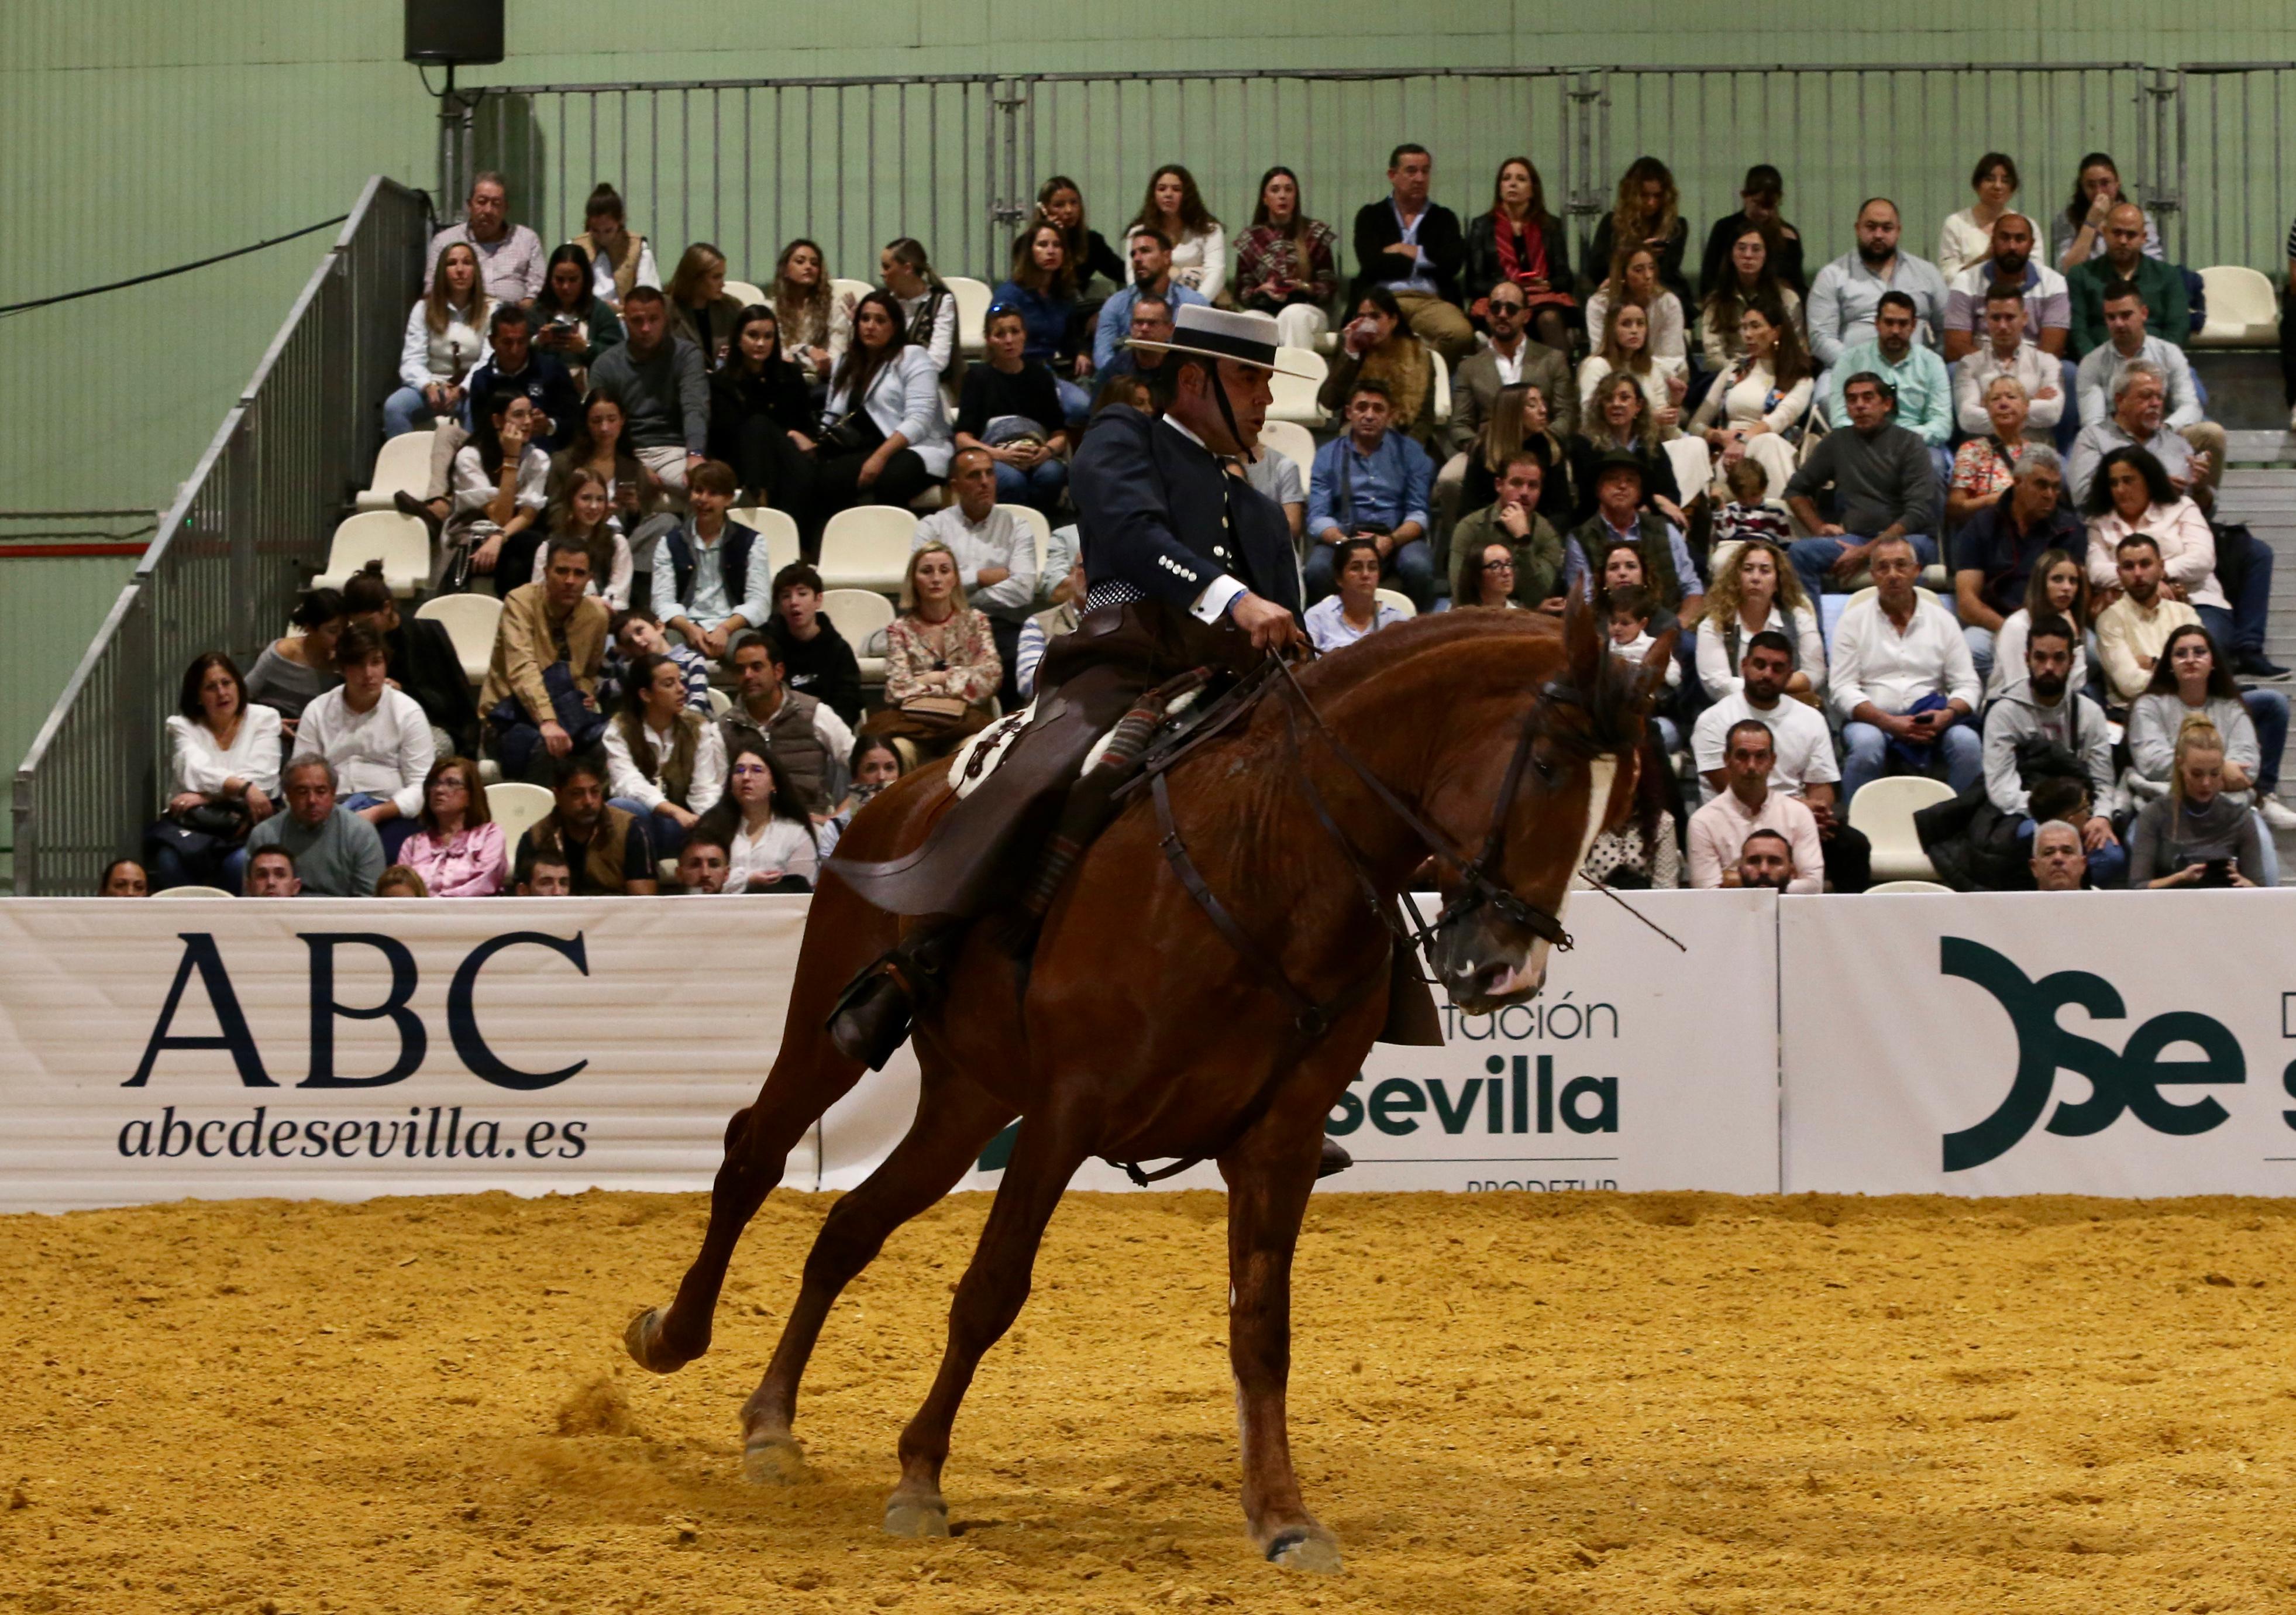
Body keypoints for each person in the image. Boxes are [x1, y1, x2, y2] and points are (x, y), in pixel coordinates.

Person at [828, 304, 1307, 1071]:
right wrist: (1234, 599)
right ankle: (920, 962)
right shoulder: (1125, 439)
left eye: (1267, 381)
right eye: (1250, 379)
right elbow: (1133, 538)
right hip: (1126, 664)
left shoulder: (1257, 508)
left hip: (1236, 688)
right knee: (1053, 771)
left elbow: (1288, 619)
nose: (1266, 399)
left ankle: (1310, 1040)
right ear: (1194, 380)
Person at [1691, 631, 1868, 891]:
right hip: (1734, 818)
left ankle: (1846, 927)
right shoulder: (1713, 719)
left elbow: (1821, 785)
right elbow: (1740, 784)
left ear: (1790, 673)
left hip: (1797, 818)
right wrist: (1797, 809)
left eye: (1777, 668)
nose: (1767, 674)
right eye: (1760, 665)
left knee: (1853, 845)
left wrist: (1811, 813)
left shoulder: (1811, 719)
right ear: (1744, 666)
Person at [1827, 535, 1982, 806]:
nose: (1893, 575)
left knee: (1967, 743)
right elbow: (1841, 688)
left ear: (1917, 571)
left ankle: (1959, 829)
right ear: (1873, 574)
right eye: (1883, 568)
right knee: (1866, 747)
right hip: (1872, 719)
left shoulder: (1942, 620)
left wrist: (1947, 715)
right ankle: (1858, 830)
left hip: (1932, 719)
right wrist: (1886, 721)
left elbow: (1968, 684)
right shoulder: (1852, 621)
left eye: (1901, 565)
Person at [1981, 615, 2124, 882]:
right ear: (2027, 659)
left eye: (2059, 658)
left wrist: (2102, 817)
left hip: (2081, 813)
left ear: (2071, 661)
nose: (2049, 667)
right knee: (2029, 842)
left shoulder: (2090, 713)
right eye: (2040, 657)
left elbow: (2104, 783)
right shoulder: (2003, 713)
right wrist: (2058, 817)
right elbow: (2002, 790)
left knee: (2111, 857)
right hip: (2027, 814)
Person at [2127, 623, 2296, 839]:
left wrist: (2197, 772)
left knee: (2261, 844)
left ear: (2213, 662)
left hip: (2229, 807)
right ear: (2170, 665)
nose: (2190, 659)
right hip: (2165, 806)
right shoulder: (2148, 706)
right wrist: (2220, 768)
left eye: (2199, 652)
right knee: (2135, 842)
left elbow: (2247, 766)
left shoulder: (2231, 707)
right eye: (2180, 654)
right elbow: (2150, 762)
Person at [1784, 372, 1937, 602]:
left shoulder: (1910, 443)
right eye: (1852, 400)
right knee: (1799, 553)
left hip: (1908, 539)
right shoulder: (1837, 442)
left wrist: (1868, 552)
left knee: (1900, 554)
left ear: (1886, 404)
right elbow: (1795, 490)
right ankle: (1812, 633)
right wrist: (1819, 527)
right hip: (1855, 538)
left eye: (1868, 398)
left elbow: (1918, 512)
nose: (1860, 406)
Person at [1438, 282, 1575, 526]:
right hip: (1487, 451)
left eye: (1511, 309)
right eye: (1496, 308)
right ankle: (1458, 549)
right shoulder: (1470, 367)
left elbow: (1566, 415)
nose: (1502, 314)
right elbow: (1459, 425)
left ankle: (1550, 546)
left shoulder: (1552, 360)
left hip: (1542, 448)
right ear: (1487, 313)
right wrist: (1483, 448)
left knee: (1563, 474)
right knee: (1449, 478)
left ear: (1526, 315)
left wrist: (1540, 444)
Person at [295, 623, 435, 856]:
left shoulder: (407, 712)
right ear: (342, 668)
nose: (369, 674)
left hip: (389, 811)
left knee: (387, 853)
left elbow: (423, 785)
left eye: (376, 662)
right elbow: (302, 775)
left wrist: (377, 813)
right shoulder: (317, 711)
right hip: (330, 810)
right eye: (358, 665)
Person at [480, 537, 612, 781]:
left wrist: (584, 691)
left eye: (579, 573)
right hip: (509, 716)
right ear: (545, 572)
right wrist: (548, 720)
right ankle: (538, 817)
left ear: (589, 578)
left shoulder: (597, 616)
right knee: (547, 745)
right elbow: (522, 668)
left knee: (609, 741)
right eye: (561, 571)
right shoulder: (520, 602)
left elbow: (589, 673)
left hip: (568, 714)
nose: (570, 581)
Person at [815, 288, 952, 521]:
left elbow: (919, 421)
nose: (870, 326)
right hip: (862, 448)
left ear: (895, 327)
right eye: (865, 319)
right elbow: (832, 414)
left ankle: (895, 545)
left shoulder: (913, 357)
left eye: (880, 321)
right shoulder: (845, 362)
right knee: (826, 478)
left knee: (892, 478)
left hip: (914, 448)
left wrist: (879, 457)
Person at [915, 448, 1039, 703]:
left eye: (989, 474)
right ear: (956, 485)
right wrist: (981, 577)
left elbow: (1023, 590)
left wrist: (956, 590)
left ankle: (1010, 735)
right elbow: (924, 586)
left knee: (1014, 658)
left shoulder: (1017, 527)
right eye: (974, 476)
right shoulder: (932, 526)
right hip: (946, 626)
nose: (985, 482)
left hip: (1000, 625)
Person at [856, 540, 1001, 758]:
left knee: (973, 747)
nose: (936, 579)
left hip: (964, 724)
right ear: (914, 581)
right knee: (900, 749)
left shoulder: (976, 622)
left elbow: (991, 677)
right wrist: (962, 682)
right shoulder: (900, 629)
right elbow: (897, 688)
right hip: (915, 727)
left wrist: (935, 678)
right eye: (927, 571)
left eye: (944, 571)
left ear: (955, 579)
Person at [150, 652, 281, 892]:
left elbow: (262, 778)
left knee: (239, 863)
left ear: (239, 685)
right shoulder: (184, 726)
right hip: (197, 825)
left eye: (226, 683)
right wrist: (243, 788)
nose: (222, 693)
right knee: (168, 862)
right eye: (211, 687)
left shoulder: (264, 718)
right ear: (198, 696)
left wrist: (206, 797)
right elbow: (194, 770)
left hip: (247, 823)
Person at [1304, 379, 1436, 611]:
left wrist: (1392, 540)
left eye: (1378, 409)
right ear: (1349, 413)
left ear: (1390, 415)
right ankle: (1319, 635)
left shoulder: (1411, 452)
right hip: (1344, 536)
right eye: (1361, 407)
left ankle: (1422, 635)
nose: (1369, 415)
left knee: (1419, 567)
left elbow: (1418, 512)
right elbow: (1317, 517)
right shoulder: (1328, 455)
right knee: (1316, 570)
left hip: (1396, 537)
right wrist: (1345, 544)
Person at [2074, 279, 2218, 487]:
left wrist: (2164, 430)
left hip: (2167, 433)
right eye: (2111, 317)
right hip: (2116, 439)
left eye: (2126, 315)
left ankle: (2203, 506)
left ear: (2144, 313)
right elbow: (2094, 424)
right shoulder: (2092, 363)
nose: (2119, 324)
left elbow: (2190, 406)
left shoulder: (2169, 353)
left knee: (2212, 434)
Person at [2081, 442, 2228, 642]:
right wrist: (2150, 584)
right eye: (2114, 483)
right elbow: (2097, 572)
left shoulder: (2182, 507)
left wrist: (2155, 575)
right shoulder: (2099, 522)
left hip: (2196, 600)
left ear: (2148, 480)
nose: (2120, 490)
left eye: (2128, 481)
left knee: (2200, 649)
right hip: (2130, 608)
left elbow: (2203, 559)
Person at [1954, 446, 2079, 681]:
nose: (2050, 495)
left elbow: (2079, 596)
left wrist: (2046, 635)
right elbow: (1967, 601)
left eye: (2055, 487)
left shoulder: (2070, 528)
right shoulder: (1983, 524)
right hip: (1995, 623)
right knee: (1971, 649)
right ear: (2018, 482)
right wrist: (2014, 631)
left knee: (2091, 652)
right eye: (2041, 485)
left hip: (2054, 626)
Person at [340, 563, 480, 761]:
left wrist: (403, 690)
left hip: (430, 724)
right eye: (358, 623)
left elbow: (450, 702)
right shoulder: (356, 641)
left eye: (369, 622)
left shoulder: (426, 635)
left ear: (387, 608)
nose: (364, 629)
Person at [1350, 142, 1474, 361]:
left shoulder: (1444, 218)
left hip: (1430, 301)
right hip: (1384, 298)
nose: (1419, 178)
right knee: (1363, 335)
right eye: (1411, 171)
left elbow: (1452, 264)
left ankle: (1422, 375)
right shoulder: (1371, 215)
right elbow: (1370, 263)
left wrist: (1407, 251)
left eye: (1425, 171)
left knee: (1461, 334)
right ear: (1392, 175)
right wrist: (1427, 259)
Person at [1687, 295, 1813, 500]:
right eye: (1744, 327)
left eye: (1755, 326)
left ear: (1776, 332)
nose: (1747, 334)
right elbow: (1696, 425)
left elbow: (1779, 419)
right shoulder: (1734, 371)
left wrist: (1744, 441)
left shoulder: (1800, 376)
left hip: (1773, 448)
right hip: (1729, 456)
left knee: (1768, 442)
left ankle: (1781, 520)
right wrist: (1718, 436)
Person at [587, 286, 707, 497]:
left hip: (674, 450)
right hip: (624, 452)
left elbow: (695, 407)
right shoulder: (606, 364)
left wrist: (695, 453)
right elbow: (602, 423)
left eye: (654, 320)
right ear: (624, 321)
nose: (646, 328)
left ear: (665, 319)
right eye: (637, 321)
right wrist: (634, 465)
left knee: (704, 489)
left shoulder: (686, 355)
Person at [1805, 198, 1950, 373]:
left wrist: (1928, 364)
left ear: (1898, 231)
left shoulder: (1927, 273)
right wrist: (1859, 366)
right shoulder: (1833, 275)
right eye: (1871, 227)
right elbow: (1820, 337)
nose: (1878, 235)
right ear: (1858, 229)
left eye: (1887, 228)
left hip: (1916, 373)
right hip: (1850, 373)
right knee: (1825, 400)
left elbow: (1948, 329)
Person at [721, 629, 855, 817]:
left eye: (757, 667)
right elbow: (709, 792)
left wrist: (836, 820)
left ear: (778, 671)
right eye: (741, 670)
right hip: (746, 828)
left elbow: (866, 767)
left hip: (809, 824)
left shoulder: (815, 713)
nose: (748, 675)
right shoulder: (725, 726)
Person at [605, 651, 727, 857]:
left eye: (681, 681)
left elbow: (705, 789)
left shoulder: (698, 727)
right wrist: (672, 810)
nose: (682, 689)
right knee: (623, 807)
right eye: (669, 684)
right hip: (641, 822)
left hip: (683, 826)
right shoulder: (620, 729)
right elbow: (627, 783)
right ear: (646, 695)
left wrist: (702, 828)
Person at [646, 459, 769, 659]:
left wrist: (725, 629)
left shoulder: (752, 542)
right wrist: (689, 629)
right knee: (662, 649)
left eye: (713, 493)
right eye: (698, 490)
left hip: (732, 625)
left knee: (752, 654)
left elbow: (759, 602)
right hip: (684, 625)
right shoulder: (669, 543)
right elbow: (662, 602)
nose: (703, 499)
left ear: (729, 499)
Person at [955, 305, 1070, 517]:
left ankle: (1045, 528)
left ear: (1024, 335)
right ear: (989, 340)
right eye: (1000, 334)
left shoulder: (1041, 376)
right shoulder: (977, 378)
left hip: (1037, 453)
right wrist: (999, 455)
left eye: (1015, 332)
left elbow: (1059, 434)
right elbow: (962, 437)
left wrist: (1047, 451)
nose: (1009, 340)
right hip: (996, 454)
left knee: (1051, 475)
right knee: (1011, 480)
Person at [1565, 453, 1703, 627]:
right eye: (1612, 479)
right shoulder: (1580, 539)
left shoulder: (1666, 530)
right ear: (1598, 489)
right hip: (1609, 633)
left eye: (1630, 481)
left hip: (1666, 627)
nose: (1622, 486)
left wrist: (1678, 626)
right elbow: (1583, 601)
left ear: (1639, 494)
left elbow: (1692, 588)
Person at [1821, 292, 1951, 475]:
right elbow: (1841, 420)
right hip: (1864, 442)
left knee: (1934, 466)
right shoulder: (1850, 361)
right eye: (1889, 323)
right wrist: (1875, 439)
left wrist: (1900, 439)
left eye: (1903, 323)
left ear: (1913, 325)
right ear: (1877, 323)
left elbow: (1942, 424)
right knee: (1850, 466)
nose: (1896, 331)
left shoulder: (1932, 363)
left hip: (1918, 444)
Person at [707, 304, 818, 519]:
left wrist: (798, 436)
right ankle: (761, 501)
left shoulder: (791, 375)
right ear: (739, 339)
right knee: (757, 426)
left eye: (768, 337)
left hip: (786, 458)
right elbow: (723, 435)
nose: (761, 343)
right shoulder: (721, 382)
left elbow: (807, 427)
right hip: (740, 461)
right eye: (753, 336)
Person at [1687, 720, 1824, 893]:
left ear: (1772, 761)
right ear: (1727, 759)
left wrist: (1735, 880)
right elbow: (1707, 892)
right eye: (1742, 756)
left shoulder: (1798, 813)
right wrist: (1781, 879)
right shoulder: (1703, 821)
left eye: (1760, 756)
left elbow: (1813, 886)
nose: (1751, 766)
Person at [2130, 718, 2267, 889]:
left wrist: (2247, 886)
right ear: (2181, 765)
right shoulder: (2154, 814)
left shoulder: (2239, 817)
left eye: (2215, 773)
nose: (2206, 783)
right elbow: (2137, 886)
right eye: (2197, 774)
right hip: (2169, 908)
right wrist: (2179, 878)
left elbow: (2262, 889)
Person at [1464, 156, 1576, 350]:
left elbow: (1565, 279)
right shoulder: (1482, 226)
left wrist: (1547, 284)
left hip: (1543, 301)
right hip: (1499, 300)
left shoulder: (1550, 226)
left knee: (1550, 319)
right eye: (1507, 178)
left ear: (1533, 190)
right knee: (1504, 313)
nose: (1513, 184)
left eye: (1521, 179)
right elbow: (1473, 283)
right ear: (1500, 188)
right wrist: (1510, 288)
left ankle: (1561, 378)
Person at [1224, 164, 1340, 354]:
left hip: (1307, 309)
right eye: (1275, 190)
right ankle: (1254, 382)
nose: (1283, 196)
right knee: (1250, 319)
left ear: (1296, 196)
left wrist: (1302, 287)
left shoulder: (1314, 233)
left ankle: (1298, 381)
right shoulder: (1251, 239)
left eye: (1289, 190)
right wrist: (1261, 290)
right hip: (1266, 309)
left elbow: (1329, 287)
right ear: (1265, 199)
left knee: (1293, 315)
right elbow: (1242, 292)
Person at [446, 384, 550, 592]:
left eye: (530, 414)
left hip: (513, 538)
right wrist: (511, 459)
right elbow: (499, 518)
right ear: (497, 421)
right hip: (471, 536)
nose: (528, 422)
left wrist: (499, 538)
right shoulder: (470, 457)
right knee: (523, 550)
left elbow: (528, 515)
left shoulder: (538, 458)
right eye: (519, 415)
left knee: (529, 546)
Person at [387, 241, 491, 437]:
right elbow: (411, 359)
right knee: (395, 407)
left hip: (472, 388)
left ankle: (470, 463)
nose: (460, 270)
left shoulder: (492, 310)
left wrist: (463, 389)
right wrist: (428, 385)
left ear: (476, 270)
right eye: (452, 264)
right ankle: (404, 464)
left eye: (467, 263)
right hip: (432, 385)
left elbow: (488, 360)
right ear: (442, 272)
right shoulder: (423, 309)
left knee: (478, 408)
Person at [1696, 540, 1822, 702]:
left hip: (1789, 708)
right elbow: (1718, 685)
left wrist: (1767, 687)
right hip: (1735, 710)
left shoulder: (1799, 618)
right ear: (1736, 578)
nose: (1755, 578)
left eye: (1765, 571)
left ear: (1778, 581)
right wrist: (1774, 684)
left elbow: (1814, 674)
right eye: (1748, 570)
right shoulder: (1714, 624)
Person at [245, 755, 387, 898]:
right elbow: (250, 902)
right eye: (302, 792)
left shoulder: (361, 834)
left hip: (341, 917)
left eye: (321, 791)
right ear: (287, 794)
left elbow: (370, 904)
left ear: (333, 793)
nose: (312, 800)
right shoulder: (264, 835)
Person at [1942, 213, 2071, 369]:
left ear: (2031, 244)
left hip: (2034, 369)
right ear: (1993, 242)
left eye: (2020, 239)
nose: (2012, 246)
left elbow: (2052, 349)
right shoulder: (1965, 281)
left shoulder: (2053, 283)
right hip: (1981, 368)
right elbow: (1955, 347)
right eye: (2004, 238)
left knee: (2068, 371)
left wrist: (2017, 371)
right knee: (1954, 370)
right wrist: (1999, 370)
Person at [1447, 453, 1565, 610]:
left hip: (1526, 625)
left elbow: (1538, 595)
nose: (1524, 492)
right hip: (1476, 619)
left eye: (1533, 485)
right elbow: (1461, 594)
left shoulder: (1547, 535)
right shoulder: (1470, 527)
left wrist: (1523, 539)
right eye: (1516, 483)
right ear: (1499, 485)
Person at [994, 223, 1086, 425]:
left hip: (1048, 372)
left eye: (1057, 245)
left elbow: (1068, 339)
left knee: (1082, 406)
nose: (1051, 251)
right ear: (1030, 252)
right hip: (1015, 372)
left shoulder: (1063, 294)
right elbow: (997, 342)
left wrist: (1081, 353)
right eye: (1043, 245)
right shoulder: (1010, 294)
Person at [528, 752, 656, 896]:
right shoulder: (536, 835)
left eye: (595, 792)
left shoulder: (631, 830)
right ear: (558, 795)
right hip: (555, 914)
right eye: (577, 794)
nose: (589, 802)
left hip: (612, 914)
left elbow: (643, 903)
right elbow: (523, 900)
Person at [1320, 286, 1438, 442]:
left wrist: (1406, 451)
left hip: (1405, 437)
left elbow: (1425, 419)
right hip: (1358, 433)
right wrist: (1351, 354)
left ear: (1393, 320)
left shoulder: (1418, 354)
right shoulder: (1349, 347)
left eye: (1375, 317)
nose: (1368, 323)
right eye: (1362, 317)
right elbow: (1329, 401)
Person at [2069, 206, 2190, 358]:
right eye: (2117, 233)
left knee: (2191, 377)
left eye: (2131, 235)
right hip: (2098, 364)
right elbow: (2077, 332)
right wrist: (2097, 365)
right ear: (2105, 233)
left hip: (2156, 366)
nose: (2123, 241)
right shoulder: (2081, 275)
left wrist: (2156, 364)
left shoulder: (2168, 276)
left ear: (2144, 237)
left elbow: (2178, 329)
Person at [2094, 532, 2198, 706]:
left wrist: (2153, 663)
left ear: (2161, 567)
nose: (2138, 573)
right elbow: (2130, 684)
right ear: (2119, 573)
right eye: (2129, 566)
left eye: (2145, 564)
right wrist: (2179, 671)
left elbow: (2202, 673)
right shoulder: (2109, 621)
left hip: (2187, 709)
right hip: (2135, 715)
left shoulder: (2185, 614)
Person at [1460, 380, 1581, 528]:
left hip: (1540, 531)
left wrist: (1532, 532)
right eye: (1532, 405)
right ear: (1512, 412)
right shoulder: (1483, 448)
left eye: (1543, 403)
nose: (1543, 410)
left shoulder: (1552, 446)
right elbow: (1468, 508)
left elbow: (1562, 510)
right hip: (1492, 531)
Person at [510, 465, 633, 610]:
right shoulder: (549, 547)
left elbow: (619, 596)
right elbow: (539, 593)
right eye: (586, 498)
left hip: (603, 619)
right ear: (570, 501)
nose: (594, 506)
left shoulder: (617, 543)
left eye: (600, 499)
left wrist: (593, 606)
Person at [1953, 286, 2064, 444]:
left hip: (2035, 451)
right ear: (1986, 320)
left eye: (2010, 317)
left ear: (2024, 318)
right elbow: (1967, 419)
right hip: (1986, 452)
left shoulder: (2047, 362)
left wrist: (1990, 406)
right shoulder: (1969, 365)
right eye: (1996, 318)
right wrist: (2030, 401)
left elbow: (2052, 413)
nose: (2003, 326)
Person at [465, 304, 579, 455]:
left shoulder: (552, 370)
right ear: (492, 342)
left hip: (548, 455)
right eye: (507, 343)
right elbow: (482, 433)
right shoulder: (482, 380)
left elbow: (576, 421)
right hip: (499, 458)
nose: (515, 350)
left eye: (521, 342)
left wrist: (550, 425)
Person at [1091, 229, 1209, 375]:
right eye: (1133, 254)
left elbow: (1205, 358)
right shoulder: (1116, 304)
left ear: (1167, 257)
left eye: (1145, 251)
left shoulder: (1195, 305)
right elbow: (1103, 357)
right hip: (1127, 384)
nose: (1137, 259)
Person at [1983, 547, 2091, 704]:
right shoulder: (2017, 626)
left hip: (2056, 708)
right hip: (2008, 707)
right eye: (2057, 579)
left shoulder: (2071, 625)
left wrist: (2076, 641)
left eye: (2073, 581)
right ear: (2041, 584)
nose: (2067, 587)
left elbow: (2077, 687)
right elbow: (2019, 687)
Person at [1573, 373, 1685, 525]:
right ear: (1601, 406)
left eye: (1624, 398)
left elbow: (1672, 494)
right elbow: (1589, 498)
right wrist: (1653, 500)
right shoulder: (1585, 445)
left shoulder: (1649, 444)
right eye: (1608, 399)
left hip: (1646, 524)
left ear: (1638, 406)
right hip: (1598, 524)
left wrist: (1652, 505)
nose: (1616, 404)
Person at [765, 562, 864, 727]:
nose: (794, 602)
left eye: (802, 594)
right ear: (779, 606)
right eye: (786, 596)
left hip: (828, 737)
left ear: (818, 600)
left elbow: (848, 707)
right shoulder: (769, 649)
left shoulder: (839, 650)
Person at [1699, 221, 1803, 376]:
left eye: (1756, 249)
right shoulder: (1717, 301)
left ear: (1767, 255)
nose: (1748, 255)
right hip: (1730, 375)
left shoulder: (1787, 298)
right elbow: (1713, 356)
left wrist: (1767, 370)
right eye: (1741, 248)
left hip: (1777, 374)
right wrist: (1743, 370)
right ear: (1731, 254)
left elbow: (1796, 349)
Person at [1585, 156, 1691, 308]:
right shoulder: (1612, 222)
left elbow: (1670, 269)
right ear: (1632, 195)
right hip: (1620, 288)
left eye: (1657, 196)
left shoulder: (1676, 226)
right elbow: (1596, 268)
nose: (1651, 203)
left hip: (1660, 289)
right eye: (1644, 195)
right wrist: (1636, 253)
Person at [424, 171, 545, 304]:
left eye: (496, 204)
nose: (488, 210)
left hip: (513, 318)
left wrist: (523, 309)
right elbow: (432, 289)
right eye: (482, 202)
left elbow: (538, 288)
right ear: (470, 206)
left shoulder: (527, 239)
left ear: (506, 208)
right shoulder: (445, 241)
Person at [395, 755, 507, 898]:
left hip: (474, 915)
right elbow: (401, 887)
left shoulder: (490, 835)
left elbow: (485, 882)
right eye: (434, 784)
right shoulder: (413, 844)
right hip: (422, 916)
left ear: (471, 795)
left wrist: (441, 903)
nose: (439, 790)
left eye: (452, 783)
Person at [244, 586, 345, 741]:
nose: (341, 637)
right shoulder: (281, 654)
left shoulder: (343, 660)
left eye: (344, 630)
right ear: (310, 628)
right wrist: (272, 724)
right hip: (274, 728)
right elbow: (242, 696)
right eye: (333, 631)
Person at [1699, 163, 1807, 301]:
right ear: (1744, 196)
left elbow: (1797, 285)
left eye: (1770, 206)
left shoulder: (1788, 235)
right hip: (1731, 303)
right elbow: (1709, 279)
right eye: (1758, 204)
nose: (1764, 212)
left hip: (1774, 306)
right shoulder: (1725, 229)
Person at [1946, 377, 2041, 529]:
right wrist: (1991, 501)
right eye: (1995, 399)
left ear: (2026, 406)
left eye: (2011, 397)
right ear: (1987, 409)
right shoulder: (1972, 450)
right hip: (1988, 532)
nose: (2003, 404)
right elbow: (1955, 509)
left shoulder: (2037, 453)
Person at [1126, 164, 1226, 304]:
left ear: (1187, 195)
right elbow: (1133, 277)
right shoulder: (1138, 233)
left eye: (1176, 189)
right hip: (1152, 305)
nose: (1168, 194)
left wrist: (1194, 306)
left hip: (1201, 304)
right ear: (1153, 195)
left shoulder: (1210, 230)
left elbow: (1216, 273)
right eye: (1162, 189)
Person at [2054, 152, 2164, 273]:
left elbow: (2155, 264)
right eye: (2091, 186)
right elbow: (2067, 270)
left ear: (2117, 183)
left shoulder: (2138, 217)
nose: (2099, 192)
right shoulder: (2068, 218)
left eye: (2105, 183)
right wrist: (2090, 223)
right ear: (2082, 188)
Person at [1581, 244, 1689, 366]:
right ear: (1622, 275)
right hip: (1613, 374)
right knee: (1592, 365)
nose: (1648, 276)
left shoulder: (1668, 303)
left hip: (1658, 374)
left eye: (1652, 268)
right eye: (1639, 270)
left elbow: (1673, 358)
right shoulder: (1600, 304)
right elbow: (1600, 352)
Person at [1032, 176, 1130, 307]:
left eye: (1074, 203)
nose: (1069, 210)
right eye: (1059, 205)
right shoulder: (1032, 243)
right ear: (1044, 210)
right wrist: (1053, 236)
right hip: (1040, 304)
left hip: (1075, 307)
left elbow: (1120, 271)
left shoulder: (1091, 241)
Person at [569, 181, 659, 311]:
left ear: (620, 221)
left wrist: (621, 310)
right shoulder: (575, 248)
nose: (602, 237)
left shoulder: (639, 249)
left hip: (625, 319)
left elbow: (649, 295)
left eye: (608, 231)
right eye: (595, 231)